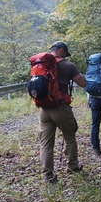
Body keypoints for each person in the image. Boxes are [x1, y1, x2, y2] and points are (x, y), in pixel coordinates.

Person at [39, 41, 86, 183]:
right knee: (69, 136)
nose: (65, 55)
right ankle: (72, 166)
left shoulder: (41, 65)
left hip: (44, 109)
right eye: (65, 52)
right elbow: (83, 83)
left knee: (46, 143)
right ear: (61, 50)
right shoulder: (68, 65)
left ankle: (48, 175)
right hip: (60, 108)